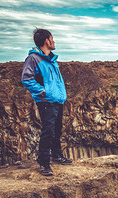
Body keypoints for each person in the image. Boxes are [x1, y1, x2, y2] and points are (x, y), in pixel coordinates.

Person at [22, 28, 72, 176]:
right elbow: (26, 79)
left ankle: (57, 155)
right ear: (46, 41)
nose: (54, 41)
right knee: (48, 131)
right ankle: (44, 163)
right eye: (52, 38)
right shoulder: (33, 59)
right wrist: (44, 92)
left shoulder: (51, 59)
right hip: (46, 101)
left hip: (57, 100)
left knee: (57, 129)